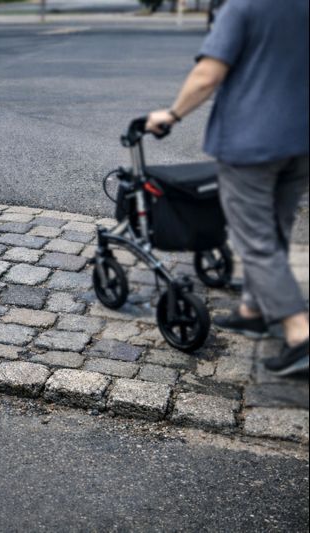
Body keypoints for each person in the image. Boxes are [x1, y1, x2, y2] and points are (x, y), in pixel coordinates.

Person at [145, 0, 309, 376]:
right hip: (301, 141)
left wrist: (171, 115)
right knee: (276, 228)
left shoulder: (242, 7)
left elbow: (207, 75)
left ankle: (300, 333)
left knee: (255, 240)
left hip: (251, 144)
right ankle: (254, 309)